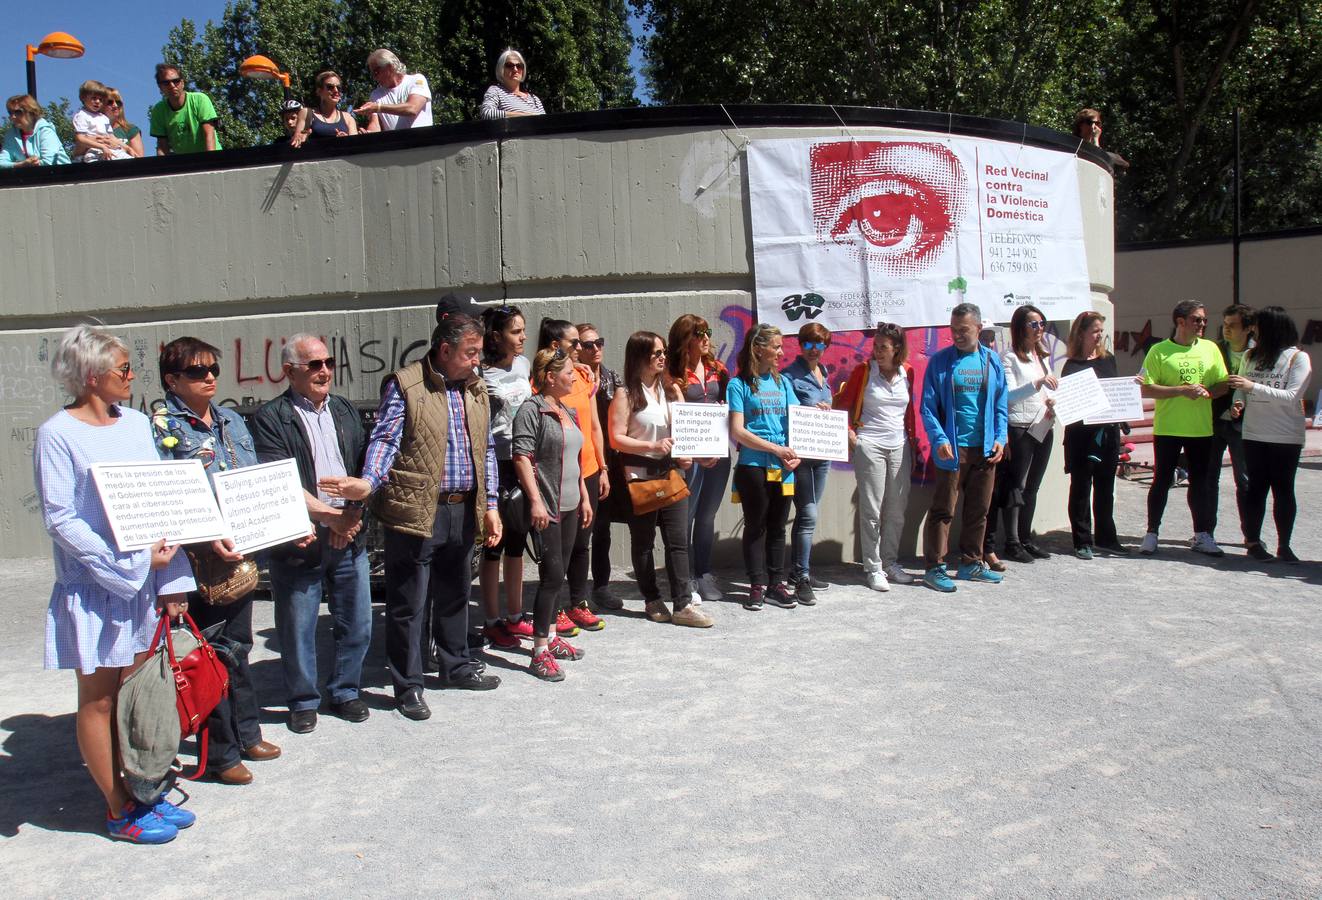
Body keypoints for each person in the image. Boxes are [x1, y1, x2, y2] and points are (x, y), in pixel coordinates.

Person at [34, 325, 197, 843]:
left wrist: (172, 577)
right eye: (123, 369)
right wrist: (125, 565)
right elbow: (61, 519)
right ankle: (117, 808)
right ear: (90, 375)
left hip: (147, 581)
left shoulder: (134, 424)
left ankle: (142, 792)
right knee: (99, 697)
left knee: (136, 693)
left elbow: (158, 499)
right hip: (97, 588)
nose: (132, 377)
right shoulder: (56, 434)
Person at [319, 314, 501, 722]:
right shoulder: (406, 384)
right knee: (408, 603)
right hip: (416, 509)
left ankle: (455, 665)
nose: (477, 361)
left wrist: (490, 506)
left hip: (463, 506)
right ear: (445, 350)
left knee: (455, 593)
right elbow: (385, 437)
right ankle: (409, 685)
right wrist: (368, 483)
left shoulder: (475, 389)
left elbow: (486, 448)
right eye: (471, 353)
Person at [151, 337, 281, 784]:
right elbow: (166, 500)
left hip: (238, 556)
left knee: (238, 648)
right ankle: (220, 755)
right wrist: (206, 540)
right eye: (196, 371)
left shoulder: (229, 420)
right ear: (172, 379)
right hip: (195, 561)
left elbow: (251, 482)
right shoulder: (160, 428)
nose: (209, 377)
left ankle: (247, 733)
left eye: (213, 370)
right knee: (208, 656)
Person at [250, 334, 372, 734]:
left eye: (328, 362)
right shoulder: (272, 418)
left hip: (348, 531)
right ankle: (303, 701)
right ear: (289, 372)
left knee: (356, 622)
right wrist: (327, 518)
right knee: (297, 628)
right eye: (313, 365)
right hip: (301, 539)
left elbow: (364, 467)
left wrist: (351, 514)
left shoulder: (344, 410)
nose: (324, 371)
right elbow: (279, 479)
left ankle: (346, 691)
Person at [609, 331, 713, 627]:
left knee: (678, 541)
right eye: (656, 353)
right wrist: (650, 446)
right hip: (640, 477)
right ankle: (652, 598)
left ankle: (683, 604)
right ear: (640, 356)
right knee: (643, 542)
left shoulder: (670, 392)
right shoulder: (626, 394)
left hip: (671, 473)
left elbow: (685, 433)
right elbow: (616, 438)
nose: (662, 357)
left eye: (663, 352)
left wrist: (694, 453)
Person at [511, 348, 593, 679]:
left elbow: (575, 459)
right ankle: (539, 651)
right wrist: (535, 501)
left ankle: (554, 638)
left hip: (572, 503)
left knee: (559, 573)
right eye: (568, 372)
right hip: (549, 507)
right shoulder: (532, 410)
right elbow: (521, 457)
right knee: (551, 576)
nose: (573, 377)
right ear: (549, 376)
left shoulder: (566, 409)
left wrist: (585, 497)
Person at [919, 303, 1008, 592]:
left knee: (978, 510)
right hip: (952, 450)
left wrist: (1001, 438)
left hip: (984, 448)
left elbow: (1001, 406)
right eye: (953, 330)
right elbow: (928, 407)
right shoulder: (941, 362)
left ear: (979, 329)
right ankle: (935, 567)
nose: (957, 335)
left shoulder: (992, 362)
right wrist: (940, 439)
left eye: (964, 330)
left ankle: (971, 563)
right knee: (943, 510)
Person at [1138, 300, 1229, 557]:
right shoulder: (1159, 351)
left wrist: (1208, 391)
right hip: (1168, 427)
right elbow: (1146, 387)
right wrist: (1181, 390)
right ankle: (1152, 533)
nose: (1202, 324)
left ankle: (1202, 535)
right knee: (1162, 481)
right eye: (1196, 319)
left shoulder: (1210, 349)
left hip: (1200, 429)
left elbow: (1223, 384)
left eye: (1203, 320)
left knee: (1200, 483)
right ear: (1180, 321)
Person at [535, 319, 608, 635]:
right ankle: (556, 610)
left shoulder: (582, 376)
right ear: (555, 346)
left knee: (582, 541)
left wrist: (603, 468)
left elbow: (594, 426)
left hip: (587, 469)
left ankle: (578, 602)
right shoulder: (541, 385)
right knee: (558, 547)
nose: (581, 348)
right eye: (575, 342)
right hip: (558, 475)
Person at [834, 322, 918, 590]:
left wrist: (912, 444)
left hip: (899, 446)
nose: (878, 352)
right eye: (875, 346)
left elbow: (909, 413)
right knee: (871, 509)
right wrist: (851, 436)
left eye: (884, 347)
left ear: (897, 349)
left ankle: (890, 562)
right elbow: (843, 405)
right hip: (870, 444)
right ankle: (873, 567)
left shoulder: (909, 373)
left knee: (896, 510)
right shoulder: (863, 372)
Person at [1228, 306, 1312, 563]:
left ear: (1273, 328)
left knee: (1283, 489)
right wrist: (1238, 401)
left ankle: (1284, 545)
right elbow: (1241, 387)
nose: (1254, 330)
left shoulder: (1298, 358)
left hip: (1285, 436)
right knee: (1256, 489)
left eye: (1258, 326)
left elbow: (1290, 397)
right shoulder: (1251, 355)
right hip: (1254, 433)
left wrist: (1253, 386)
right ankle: (1253, 542)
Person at [728, 323, 800, 610]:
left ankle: (776, 584)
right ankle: (756, 585)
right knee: (756, 526)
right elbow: (737, 430)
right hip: (753, 465)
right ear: (759, 348)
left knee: (778, 526)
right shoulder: (739, 384)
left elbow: (797, 420)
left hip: (783, 466)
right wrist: (774, 448)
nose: (782, 352)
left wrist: (798, 451)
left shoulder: (783, 383)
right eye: (777, 347)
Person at [477, 305, 535, 650]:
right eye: (516, 332)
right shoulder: (481, 373)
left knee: (518, 543)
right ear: (496, 337)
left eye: (524, 330)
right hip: (494, 463)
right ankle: (491, 621)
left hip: (522, 460)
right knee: (492, 545)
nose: (522, 337)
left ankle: (515, 617)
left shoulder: (525, 365)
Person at [665, 314, 730, 604]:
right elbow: (673, 417)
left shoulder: (719, 369)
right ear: (684, 340)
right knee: (686, 517)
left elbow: (730, 405)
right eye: (698, 334)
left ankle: (704, 572)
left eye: (707, 332)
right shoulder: (672, 373)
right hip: (690, 456)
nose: (706, 338)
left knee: (707, 516)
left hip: (719, 453)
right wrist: (696, 452)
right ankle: (686, 575)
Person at [985, 304, 1057, 566]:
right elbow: (1007, 396)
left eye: (1042, 324)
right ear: (1020, 328)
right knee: (1016, 486)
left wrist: (1050, 400)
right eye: (1034, 324)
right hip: (1020, 427)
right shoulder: (1009, 358)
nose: (1040, 329)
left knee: (1033, 486)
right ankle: (1012, 541)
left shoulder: (1041, 356)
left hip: (1043, 425)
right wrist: (1037, 384)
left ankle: (1025, 538)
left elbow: (1048, 390)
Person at [1061, 312, 1128, 559]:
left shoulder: (1108, 359)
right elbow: (1070, 402)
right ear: (1082, 333)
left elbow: (1115, 391)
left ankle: (1107, 537)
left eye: (1101, 330)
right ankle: (1082, 541)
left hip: (1108, 433)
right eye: (1095, 331)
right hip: (1082, 436)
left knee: (1105, 487)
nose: (1100, 335)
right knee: (1081, 487)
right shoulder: (1072, 365)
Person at [783, 322, 835, 605]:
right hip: (801, 456)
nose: (814, 350)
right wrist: (809, 410)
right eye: (808, 344)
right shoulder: (789, 376)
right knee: (808, 514)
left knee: (807, 516)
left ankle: (798, 570)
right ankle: (801, 578)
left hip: (822, 455)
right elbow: (786, 411)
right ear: (800, 345)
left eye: (820, 345)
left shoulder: (823, 373)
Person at [577, 323, 626, 610]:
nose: (596, 349)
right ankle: (576, 593)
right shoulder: (572, 379)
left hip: (608, 461)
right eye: (587, 345)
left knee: (603, 528)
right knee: (580, 531)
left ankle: (601, 587)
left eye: (599, 342)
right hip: (583, 460)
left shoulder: (611, 377)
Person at [1208, 304, 1254, 546]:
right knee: (1208, 479)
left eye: (1233, 325)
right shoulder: (1214, 349)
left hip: (1244, 426)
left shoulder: (1258, 353)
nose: (1226, 329)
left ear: (1248, 328)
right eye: (1224, 324)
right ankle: (1206, 533)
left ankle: (1250, 535)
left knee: (1245, 481)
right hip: (1213, 421)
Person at [150, 64, 222, 155]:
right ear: (160, 87)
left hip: (208, 159)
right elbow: (162, 147)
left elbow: (209, 135)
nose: (172, 85)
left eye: (176, 81)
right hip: (184, 164)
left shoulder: (200, 100)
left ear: (182, 83)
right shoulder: (158, 111)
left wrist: (211, 163)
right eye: (166, 83)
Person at [357, 49, 433, 132]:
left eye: (376, 72)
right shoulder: (375, 94)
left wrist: (378, 107)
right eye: (372, 74)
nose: (374, 77)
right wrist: (369, 133)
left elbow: (413, 108)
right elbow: (375, 124)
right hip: (397, 144)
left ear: (390, 66)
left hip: (423, 142)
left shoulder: (416, 80)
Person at [1, 94, 70, 167]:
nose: (13, 116)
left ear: (32, 112)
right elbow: (1, 163)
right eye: (10, 113)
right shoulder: (11, 135)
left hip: (61, 176)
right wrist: (21, 165)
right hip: (31, 176)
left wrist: (27, 165)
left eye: (18, 112)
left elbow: (49, 162)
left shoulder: (45, 131)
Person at [71, 80, 130, 162]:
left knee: (129, 160)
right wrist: (101, 146)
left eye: (101, 99)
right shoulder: (81, 115)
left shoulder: (103, 118)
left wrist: (127, 148)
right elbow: (80, 139)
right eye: (94, 98)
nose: (98, 101)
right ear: (83, 98)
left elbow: (111, 137)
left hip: (107, 149)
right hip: (91, 151)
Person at [478, 49, 546, 119]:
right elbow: (486, 113)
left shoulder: (534, 99)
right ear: (501, 69)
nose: (515, 69)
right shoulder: (495, 91)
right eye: (509, 65)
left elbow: (545, 121)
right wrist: (524, 116)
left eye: (519, 66)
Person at [301, 70, 358, 143]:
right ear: (319, 91)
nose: (336, 90)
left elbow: (355, 145)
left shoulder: (348, 118)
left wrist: (346, 139)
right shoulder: (307, 113)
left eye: (338, 87)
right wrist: (305, 137)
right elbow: (298, 142)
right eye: (330, 87)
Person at [106, 87, 145, 158]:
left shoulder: (131, 129)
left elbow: (139, 159)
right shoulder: (92, 129)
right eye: (110, 102)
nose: (115, 105)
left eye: (118, 102)